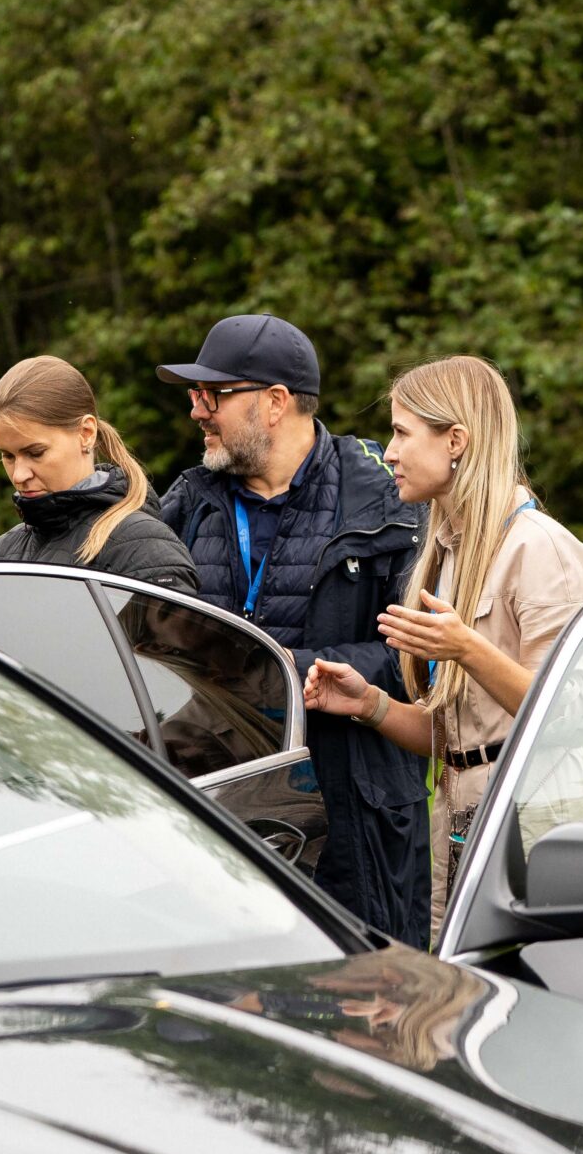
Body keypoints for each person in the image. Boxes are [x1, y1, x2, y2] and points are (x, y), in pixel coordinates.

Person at [304, 355, 583, 942]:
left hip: (538, 822)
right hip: (456, 820)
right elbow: (455, 739)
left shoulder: (541, 549)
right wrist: (370, 705)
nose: (389, 452)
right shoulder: (445, 551)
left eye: (401, 433)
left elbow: (571, 717)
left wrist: (466, 649)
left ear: (456, 441)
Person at [156, 314, 427, 945]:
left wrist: (282, 669)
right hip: (223, 815)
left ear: (276, 402)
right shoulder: (187, 502)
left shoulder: (386, 499)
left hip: (356, 819)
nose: (197, 411)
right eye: (196, 394)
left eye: (214, 394)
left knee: (369, 995)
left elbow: (420, 660)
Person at [0, 354, 196, 592]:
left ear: (86, 433)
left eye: (35, 453)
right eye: (8, 456)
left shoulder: (144, 549)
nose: (19, 476)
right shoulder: (3, 551)